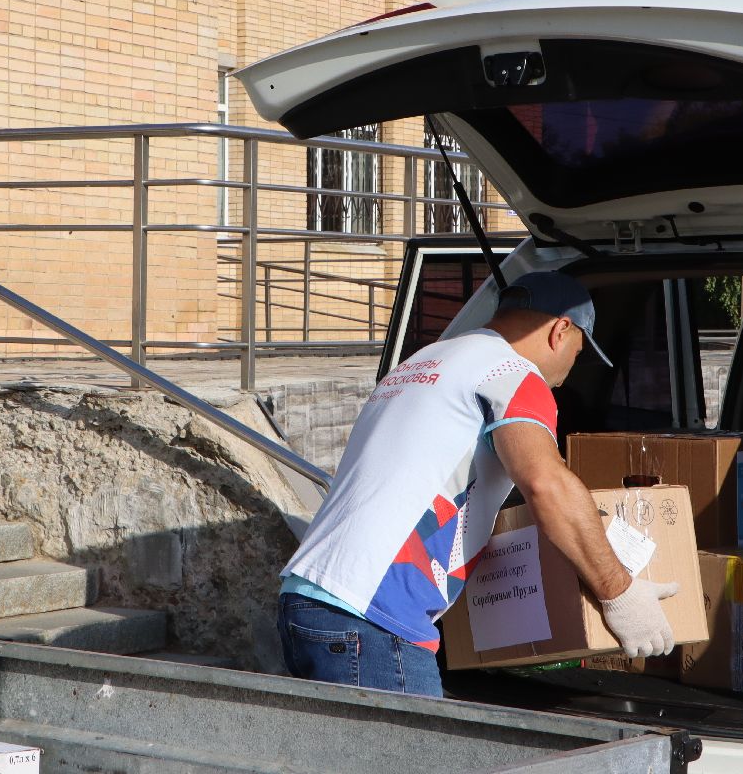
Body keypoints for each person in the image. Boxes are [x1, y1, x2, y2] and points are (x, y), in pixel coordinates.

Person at [277, 270, 678, 697]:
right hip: (374, 618)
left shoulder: (424, 362)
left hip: (307, 600)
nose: (567, 375)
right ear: (561, 330)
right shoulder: (513, 372)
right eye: (578, 354)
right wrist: (619, 591)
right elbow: (546, 483)